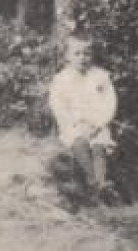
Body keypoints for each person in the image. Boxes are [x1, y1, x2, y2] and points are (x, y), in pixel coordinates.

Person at [48, 36, 118, 197]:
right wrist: (73, 123)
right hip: (74, 124)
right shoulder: (62, 79)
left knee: (99, 147)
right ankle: (92, 181)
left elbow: (110, 102)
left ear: (92, 55)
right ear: (67, 56)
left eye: (86, 53)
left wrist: (99, 123)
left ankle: (100, 184)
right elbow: (57, 105)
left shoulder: (100, 77)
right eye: (77, 54)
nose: (82, 58)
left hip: (97, 124)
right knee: (79, 143)